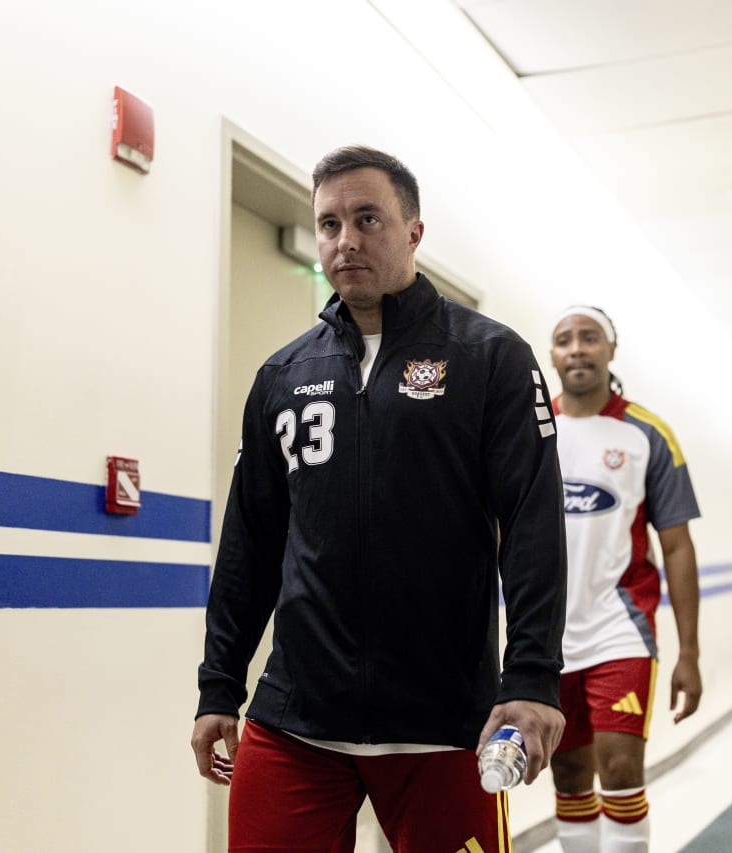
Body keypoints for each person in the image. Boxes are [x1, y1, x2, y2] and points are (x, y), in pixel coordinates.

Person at [189, 144, 568, 851]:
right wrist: (220, 686)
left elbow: (531, 526)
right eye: (329, 224)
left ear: (413, 231)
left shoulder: (490, 358)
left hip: (446, 725)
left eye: (369, 219)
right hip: (296, 720)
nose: (346, 240)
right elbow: (251, 541)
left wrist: (532, 676)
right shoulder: (283, 375)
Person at [547, 307, 703, 853]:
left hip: (622, 630)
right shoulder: (529, 430)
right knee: (567, 776)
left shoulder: (647, 434)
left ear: (610, 350)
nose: (577, 349)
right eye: (564, 341)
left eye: (589, 338)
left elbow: (678, 547)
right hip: (546, 638)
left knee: (618, 769)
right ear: (552, 357)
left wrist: (690, 652)